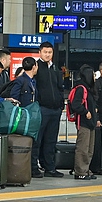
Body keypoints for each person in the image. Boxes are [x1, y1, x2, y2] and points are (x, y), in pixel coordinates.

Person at [32, 42, 65, 178]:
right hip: (42, 109)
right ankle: (33, 167)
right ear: (40, 52)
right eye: (45, 52)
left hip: (55, 110)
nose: (47, 55)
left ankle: (49, 167)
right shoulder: (36, 68)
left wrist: (61, 104)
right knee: (38, 140)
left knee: (51, 140)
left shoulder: (55, 68)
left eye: (50, 52)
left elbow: (60, 87)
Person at [69, 65, 98, 181]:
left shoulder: (89, 88)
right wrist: (85, 111)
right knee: (83, 148)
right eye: (93, 75)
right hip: (84, 122)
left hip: (91, 123)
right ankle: (80, 171)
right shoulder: (81, 88)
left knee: (89, 148)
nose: (94, 78)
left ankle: (86, 169)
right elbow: (75, 104)